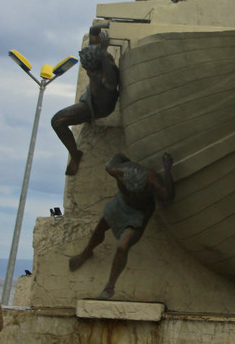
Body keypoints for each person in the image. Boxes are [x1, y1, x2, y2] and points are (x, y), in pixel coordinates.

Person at [68, 152, 175, 300]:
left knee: (122, 247)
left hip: (139, 214)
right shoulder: (115, 169)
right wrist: (129, 163)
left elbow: (168, 196)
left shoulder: (152, 180)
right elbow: (119, 156)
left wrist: (168, 169)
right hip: (121, 204)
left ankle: (109, 287)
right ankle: (87, 252)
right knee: (100, 227)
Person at [50, 25, 120, 176]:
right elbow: (93, 30)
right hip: (89, 97)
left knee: (57, 121)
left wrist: (102, 52)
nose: (89, 72)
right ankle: (75, 153)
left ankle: (76, 156)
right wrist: (107, 25)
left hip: (97, 108)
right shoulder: (92, 56)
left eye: (91, 70)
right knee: (56, 121)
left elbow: (112, 83)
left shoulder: (107, 73)